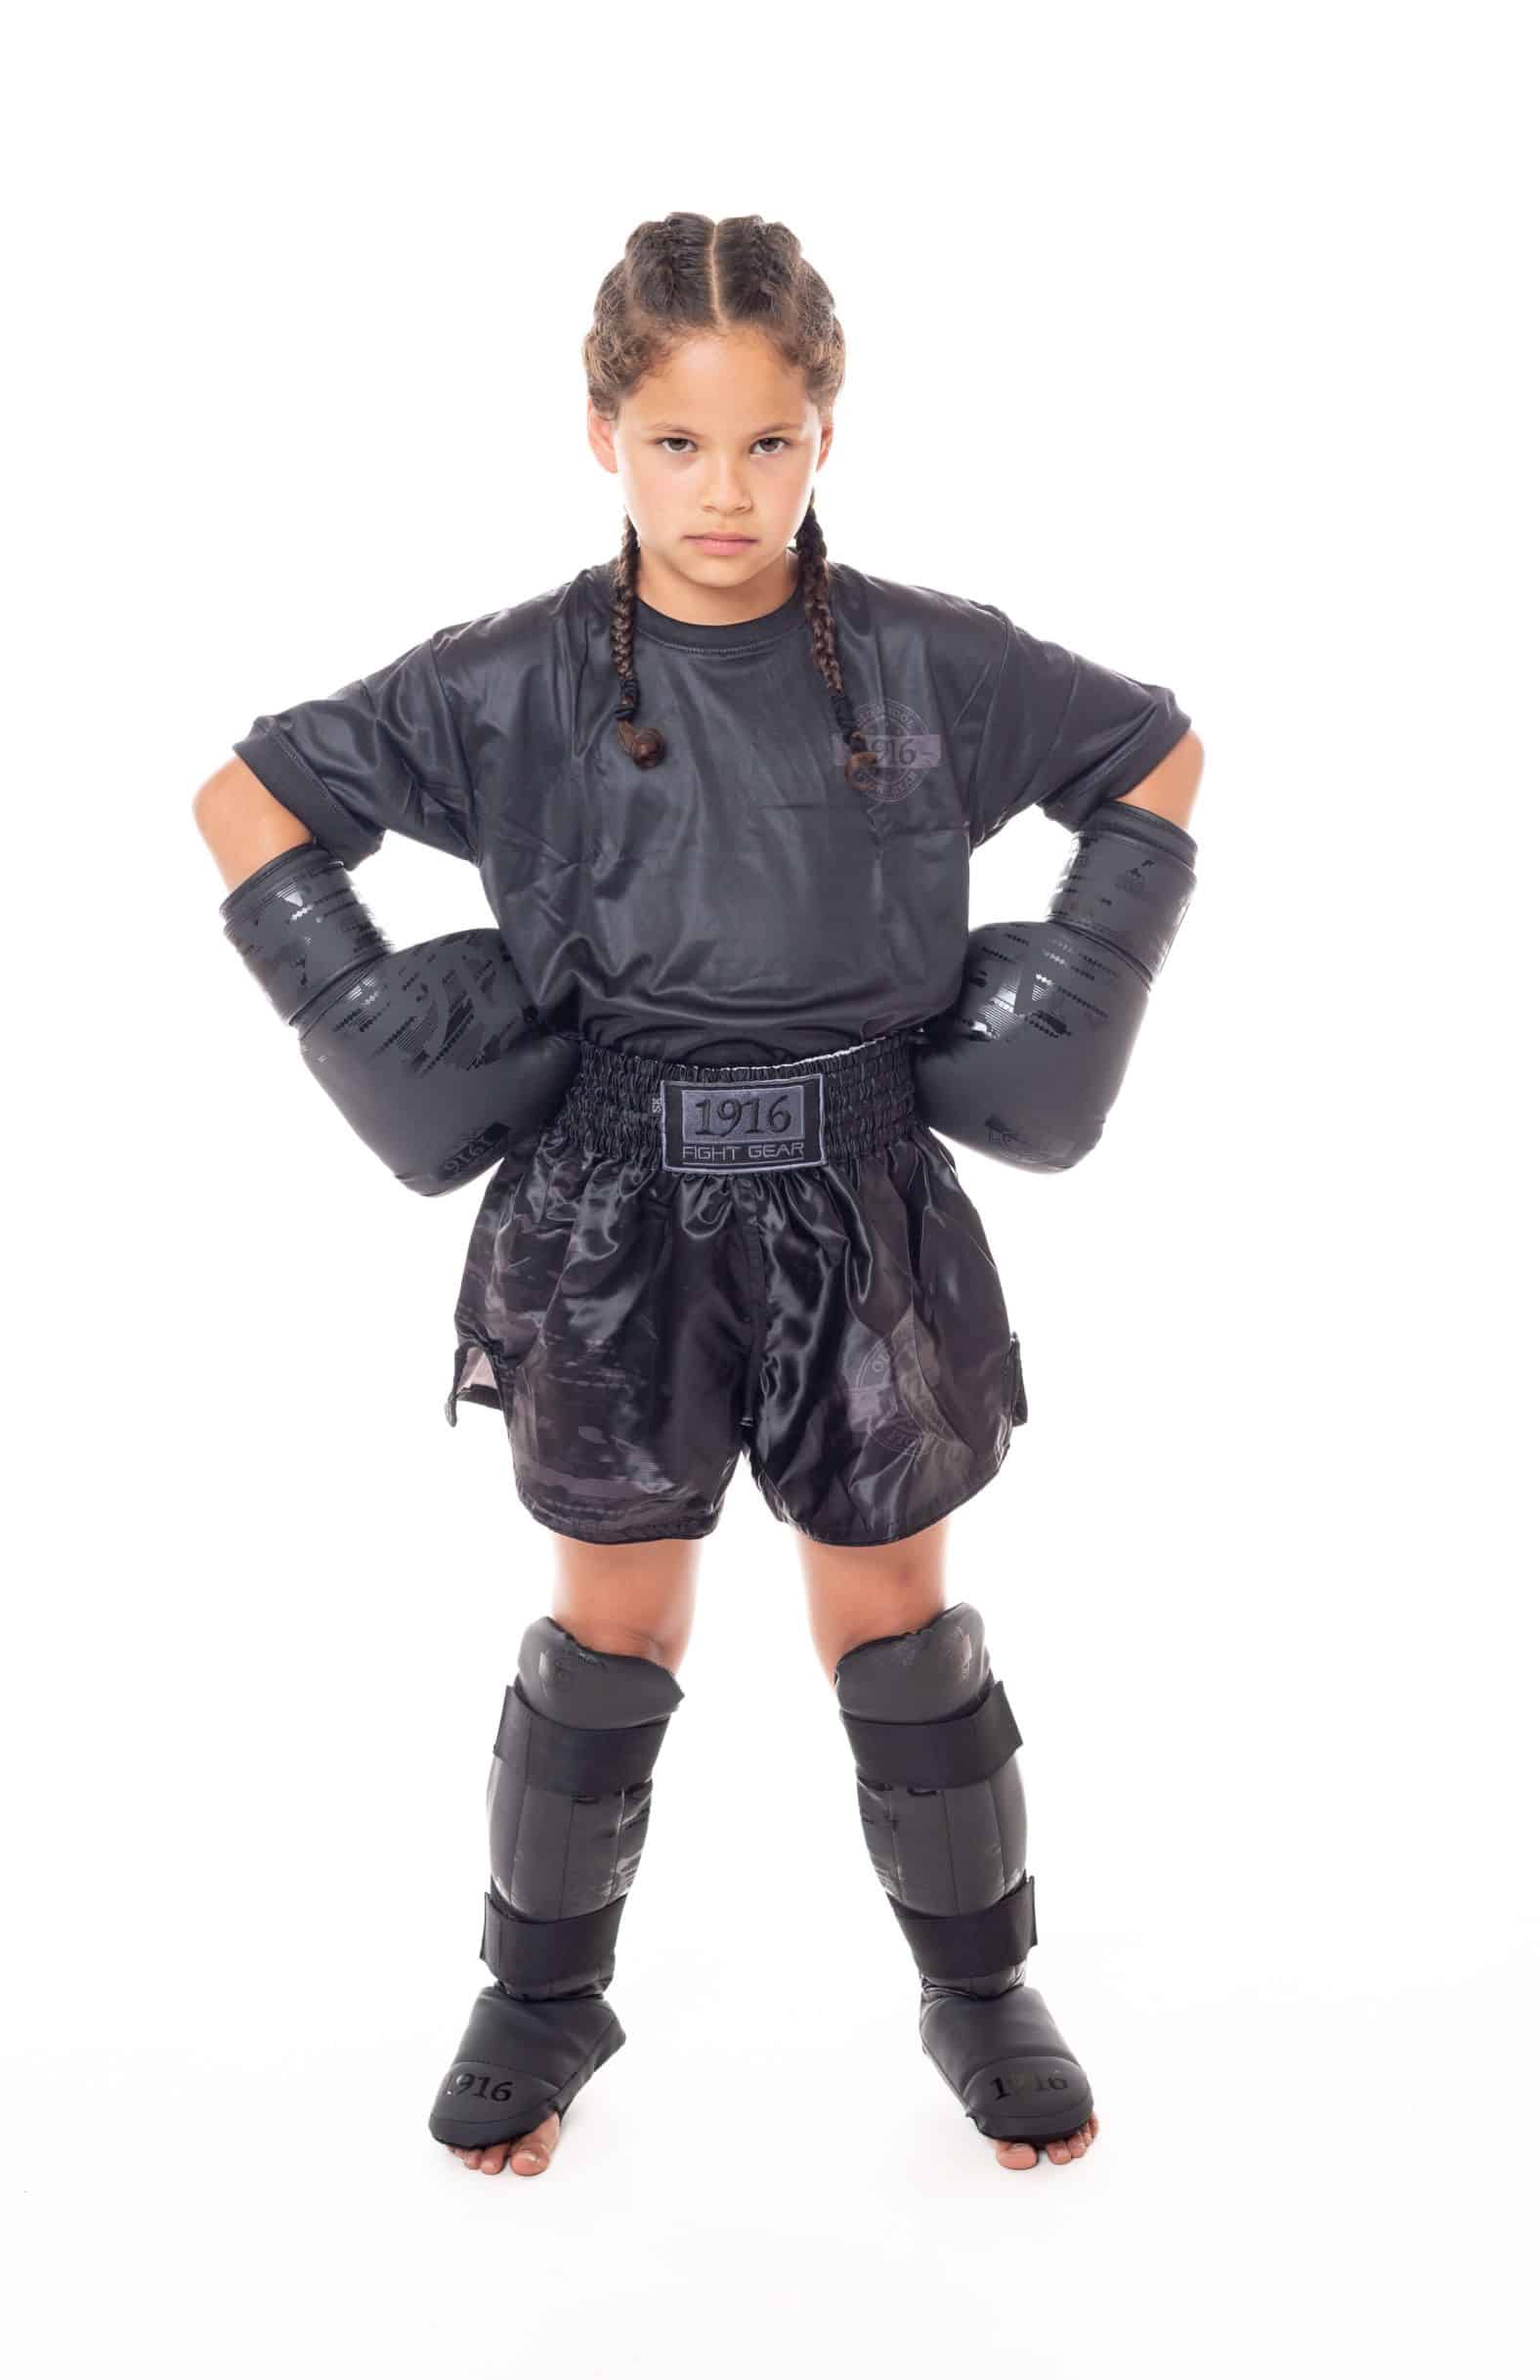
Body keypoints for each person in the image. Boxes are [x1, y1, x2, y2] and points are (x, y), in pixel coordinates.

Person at [192, 211, 1204, 2183]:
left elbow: (1152, 753)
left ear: (826, 434)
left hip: (861, 1188)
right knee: (613, 1621)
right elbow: (250, 795)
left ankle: (980, 1986)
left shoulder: (927, 661)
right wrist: (369, 1023)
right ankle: (540, 1995)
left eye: (767, 442)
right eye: (677, 443)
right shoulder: (510, 678)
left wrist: (1077, 990)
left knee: (893, 1615)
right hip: (610, 1215)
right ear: (603, 436)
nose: (724, 491)